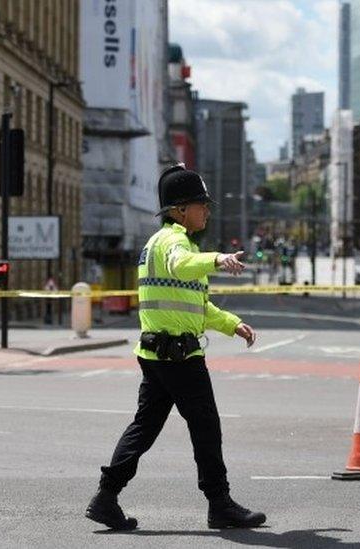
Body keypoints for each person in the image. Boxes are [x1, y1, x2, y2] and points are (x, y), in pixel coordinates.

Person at [86, 164, 267, 531]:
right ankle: (220, 504)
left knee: (145, 427)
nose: (207, 211)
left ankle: (106, 497)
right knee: (206, 427)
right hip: (180, 356)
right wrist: (217, 259)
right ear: (180, 209)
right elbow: (183, 266)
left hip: (157, 355)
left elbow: (197, 306)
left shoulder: (157, 243)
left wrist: (232, 324)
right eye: (202, 204)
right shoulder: (174, 243)